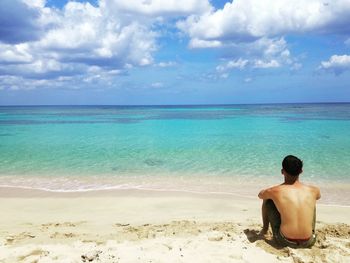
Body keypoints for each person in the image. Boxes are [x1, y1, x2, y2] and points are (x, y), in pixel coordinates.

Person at [258, 155, 321, 248]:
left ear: (282, 171)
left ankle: (265, 229)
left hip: (285, 241)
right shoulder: (313, 190)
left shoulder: (275, 191)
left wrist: (274, 192)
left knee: (268, 200)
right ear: (301, 171)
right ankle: (311, 231)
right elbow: (318, 197)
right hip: (309, 241)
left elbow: (260, 195)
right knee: (311, 201)